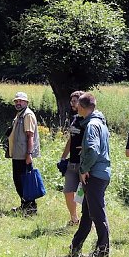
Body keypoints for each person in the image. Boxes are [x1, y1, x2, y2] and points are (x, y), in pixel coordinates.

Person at [67, 93, 112, 257]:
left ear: (82, 107)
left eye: (78, 105)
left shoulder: (92, 125)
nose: (76, 108)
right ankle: (75, 246)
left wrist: (84, 168)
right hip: (100, 173)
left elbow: (93, 150)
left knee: (97, 213)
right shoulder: (100, 122)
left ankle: (103, 251)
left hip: (95, 174)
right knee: (87, 212)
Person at [8, 91, 40, 214]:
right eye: (16, 101)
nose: (18, 103)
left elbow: (30, 136)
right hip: (18, 153)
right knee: (19, 180)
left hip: (23, 154)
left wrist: (29, 154)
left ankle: (30, 208)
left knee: (25, 181)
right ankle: (25, 205)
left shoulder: (27, 115)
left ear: (26, 102)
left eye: (21, 101)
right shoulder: (20, 114)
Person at [59, 90, 85, 225]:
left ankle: (87, 220)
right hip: (72, 162)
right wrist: (63, 157)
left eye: (75, 101)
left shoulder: (88, 120)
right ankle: (74, 218)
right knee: (68, 191)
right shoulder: (74, 118)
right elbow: (71, 139)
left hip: (84, 164)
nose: (72, 103)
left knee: (83, 192)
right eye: (72, 101)